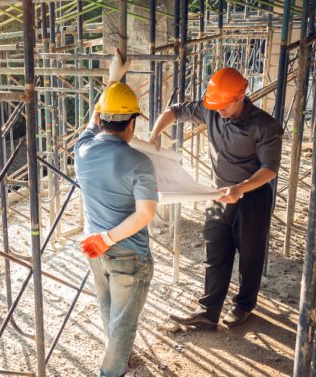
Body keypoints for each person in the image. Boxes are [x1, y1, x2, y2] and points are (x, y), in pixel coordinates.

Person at [148, 67, 283, 329]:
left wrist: (241, 188)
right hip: (217, 194)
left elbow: (270, 169)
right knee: (216, 251)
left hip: (252, 198)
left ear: (240, 96)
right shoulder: (210, 109)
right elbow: (174, 111)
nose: (218, 110)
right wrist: (155, 135)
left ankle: (243, 306)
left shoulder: (264, 125)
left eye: (224, 105)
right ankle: (208, 312)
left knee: (250, 255)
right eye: (215, 105)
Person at [75, 51, 158, 377]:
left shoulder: (82, 149)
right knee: (124, 322)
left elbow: (93, 118)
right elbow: (146, 213)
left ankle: (119, 359)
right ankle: (111, 372)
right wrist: (108, 237)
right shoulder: (139, 162)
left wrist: (112, 79)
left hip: (94, 248)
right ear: (133, 122)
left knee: (109, 310)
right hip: (127, 252)